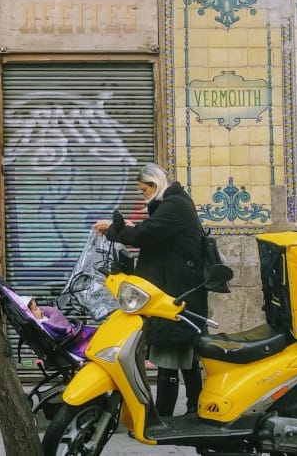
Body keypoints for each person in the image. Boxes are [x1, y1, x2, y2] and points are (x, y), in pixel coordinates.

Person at [92, 162, 208, 417]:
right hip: (177, 292)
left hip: (176, 294)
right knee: (183, 357)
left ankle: (165, 417)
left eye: (144, 190)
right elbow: (155, 232)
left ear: (155, 184)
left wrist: (114, 230)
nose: (143, 194)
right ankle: (193, 410)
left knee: (172, 355)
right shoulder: (173, 204)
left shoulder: (174, 206)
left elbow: (148, 234)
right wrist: (130, 226)